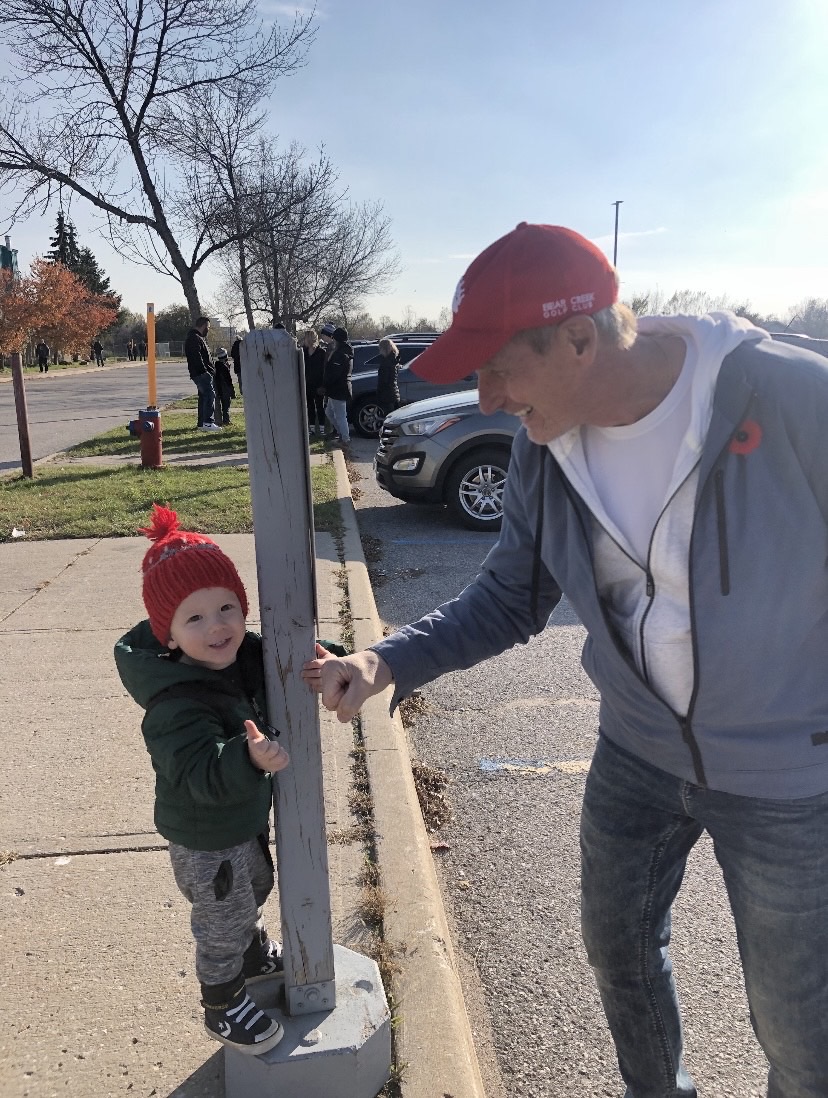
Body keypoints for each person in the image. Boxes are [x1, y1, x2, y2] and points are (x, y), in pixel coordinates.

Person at [311, 222, 828, 1097]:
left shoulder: (790, 399)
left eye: (497, 368)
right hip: (636, 756)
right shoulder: (545, 450)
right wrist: (385, 660)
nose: (486, 397)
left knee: (801, 1033)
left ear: (580, 338)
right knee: (618, 954)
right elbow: (509, 598)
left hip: (789, 778)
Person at [113, 505, 290, 1055]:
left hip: (238, 821)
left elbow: (278, 657)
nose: (217, 626)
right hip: (206, 839)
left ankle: (252, 957)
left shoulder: (236, 654)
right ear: (167, 636)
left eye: (226, 607)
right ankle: (222, 1004)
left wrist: (327, 660)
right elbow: (199, 775)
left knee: (249, 893)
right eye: (194, 618)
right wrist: (247, 758)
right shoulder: (174, 705)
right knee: (221, 922)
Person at [184, 316, 221, 431]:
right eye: (208, 327)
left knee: (204, 397)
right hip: (201, 373)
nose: (208, 330)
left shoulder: (196, 338)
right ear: (204, 326)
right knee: (209, 395)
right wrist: (204, 371)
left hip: (200, 373)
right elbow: (196, 356)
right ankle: (208, 422)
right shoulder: (194, 338)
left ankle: (202, 423)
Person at [320, 325, 353, 445]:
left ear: (336, 339)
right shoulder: (345, 351)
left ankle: (345, 439)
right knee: (329, 412)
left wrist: (325, 385)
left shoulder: (340, 354)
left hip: (338, 388)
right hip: (337, 388)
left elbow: (334, 373)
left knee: (340, 415)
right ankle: (341, 434)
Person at [301, 330, 327, 436]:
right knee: (310, 406)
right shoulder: (303, 352)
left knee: (320, 406)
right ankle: (311, 429)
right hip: (307, 383)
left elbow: (324, 369)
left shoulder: (321, 352)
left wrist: (323, 384)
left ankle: (322, 428)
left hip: (318, 383)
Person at [376, 337, 401, 417]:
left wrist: (379, 393)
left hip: (386, 395)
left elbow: (384, 381)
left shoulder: (385, 363)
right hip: (394, 393)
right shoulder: (394, 360)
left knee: (388, 417)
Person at [213, 347, 236, 426]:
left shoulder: (216, 365)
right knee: (226, 407)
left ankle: (220, 420)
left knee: (220, 406)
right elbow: (228, 380)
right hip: (225, 389)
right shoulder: (224, 367)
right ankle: (226, 420)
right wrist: (232, 391)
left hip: (218, 389)